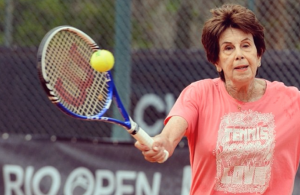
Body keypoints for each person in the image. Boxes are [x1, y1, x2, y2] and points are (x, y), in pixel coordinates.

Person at [134, 3, 300, 195]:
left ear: (259, 54)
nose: (239, 55)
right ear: (217, 62)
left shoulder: (292, 102)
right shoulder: (198, 94)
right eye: (228, 48)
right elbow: (169, 136)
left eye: (246, 45)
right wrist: (162, 143)